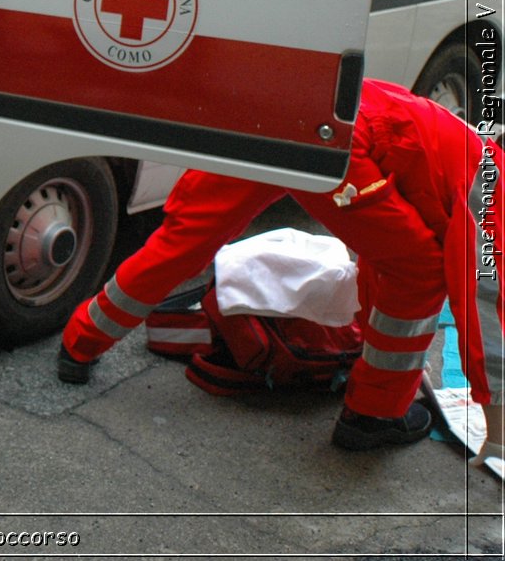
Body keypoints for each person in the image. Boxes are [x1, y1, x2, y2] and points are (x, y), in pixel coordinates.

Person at [58, 79, 504, 462]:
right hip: (339, 146)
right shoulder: (493, 195)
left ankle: (80, 343)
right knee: (419, 270)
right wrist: (498, 436)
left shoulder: (471, 149)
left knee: (184, 241)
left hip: (280, 110)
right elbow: (486, 325)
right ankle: (373, 414)